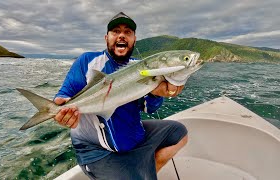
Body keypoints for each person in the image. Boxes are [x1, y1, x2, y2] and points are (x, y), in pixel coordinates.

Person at [54, 12, 188, 180]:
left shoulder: (141, 67)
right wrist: (60, 109)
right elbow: (63, 95)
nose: (122, 35)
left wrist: (156, 93)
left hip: (135, 137)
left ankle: (145, 170)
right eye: (116, 31)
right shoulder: (87, 61)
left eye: (128, 32)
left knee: (179, 133)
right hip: (97, 151)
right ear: (106, 37)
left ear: (134, 39)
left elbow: (150, 108)